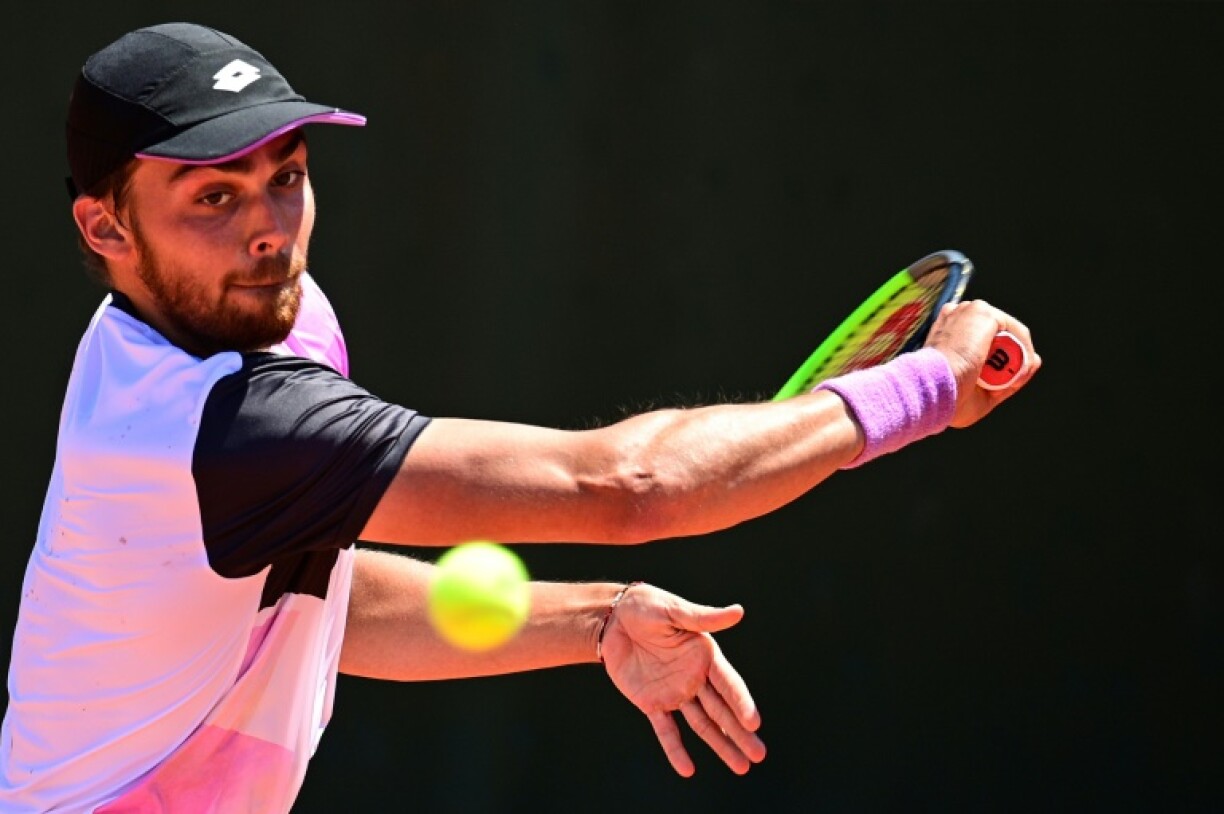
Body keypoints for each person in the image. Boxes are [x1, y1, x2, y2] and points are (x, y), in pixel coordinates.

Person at [0, 21, 1040, 814]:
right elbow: (632, 487)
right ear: (106, 227)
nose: (270, 229)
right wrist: (926, 389)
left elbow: (311, 603)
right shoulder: (220, 427)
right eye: (212, 200)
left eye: (287, 178)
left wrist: (595, 621)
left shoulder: (244, 328)